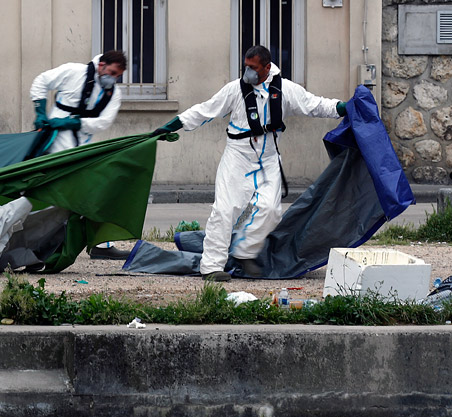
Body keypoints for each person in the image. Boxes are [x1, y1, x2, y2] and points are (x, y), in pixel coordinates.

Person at [151, 45, 347, 282]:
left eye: (253, 68)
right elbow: (205, 110)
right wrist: (175, 124)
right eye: (246, 66)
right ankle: (212, 266)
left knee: (269, 210)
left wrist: (342, 108)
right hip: (238, 157)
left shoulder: (285, 90)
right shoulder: (235, 90)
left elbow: (314, 105)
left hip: (268, 160)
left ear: (266, 67)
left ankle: (244, 251)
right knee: (224, 210)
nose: (248, 72)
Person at [30, 49, 130, 260]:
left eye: (117, 76)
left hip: (81, 147)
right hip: (54, 142)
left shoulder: (113, 94)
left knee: (88, 191)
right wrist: (40, 112)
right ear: (101, 65)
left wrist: (74, 122)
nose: (112, 78)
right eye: (111, 72)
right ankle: (42, 241)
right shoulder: (72, 72)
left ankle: (99, 243)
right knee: (58, 193)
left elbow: (103, 122)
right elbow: (41, 81)